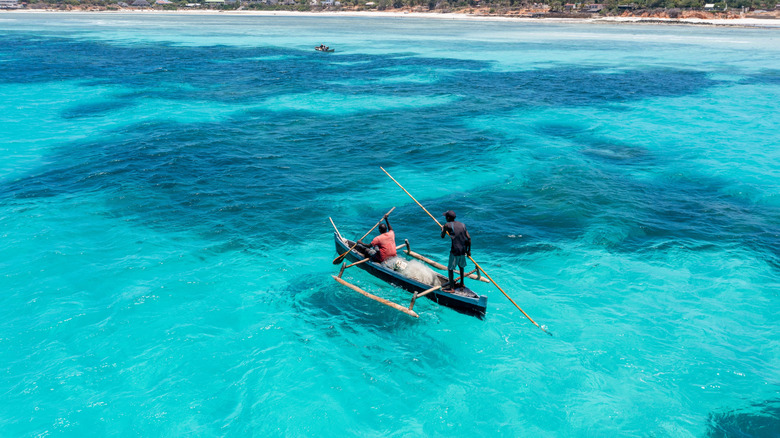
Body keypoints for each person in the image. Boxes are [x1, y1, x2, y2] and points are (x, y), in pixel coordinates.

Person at [440, 210, 471, 291]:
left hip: (455, 251)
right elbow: (469, 238)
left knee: (450, 269)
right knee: (461, 267)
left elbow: (442, 236)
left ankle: (451, 288)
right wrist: (468, 251)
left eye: (446, 217)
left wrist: (443, 229)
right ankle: (462, 283)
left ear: (448, 218)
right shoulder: (463, 225)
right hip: (463, 250)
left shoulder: (447, 225)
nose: (445, 218)